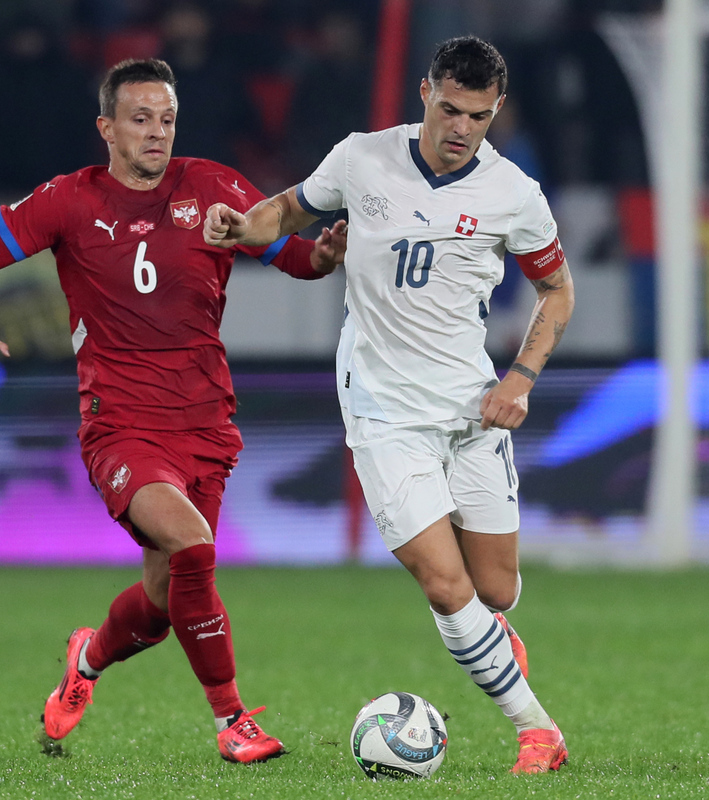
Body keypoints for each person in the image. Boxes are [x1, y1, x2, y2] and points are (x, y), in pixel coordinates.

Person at [0, 58, 347, 763]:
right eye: (139, 119)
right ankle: (231, 722)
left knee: (162, 607)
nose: (156, 133)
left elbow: (293, 259)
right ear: (107, 128)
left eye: (166, 119)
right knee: (194, 545)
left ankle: (87, 659)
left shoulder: (215, 187)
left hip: (206, 423)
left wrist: (327, 254)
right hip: (121, 424)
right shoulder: (66, 202)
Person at [205, 36, 575, 774]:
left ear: (496, 110)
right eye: (448, 109)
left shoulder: (514, 196)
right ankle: (539, 730)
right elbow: (289, 209)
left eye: (477, 114)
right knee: (445, 585)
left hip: (471, 408)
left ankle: (487, 639)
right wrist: (249, 229)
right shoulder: (361, 157)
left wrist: (520, 380)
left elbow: (558, 291)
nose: (460, 128)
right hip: (382, 410)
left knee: (494, 590)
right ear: (424, 95)